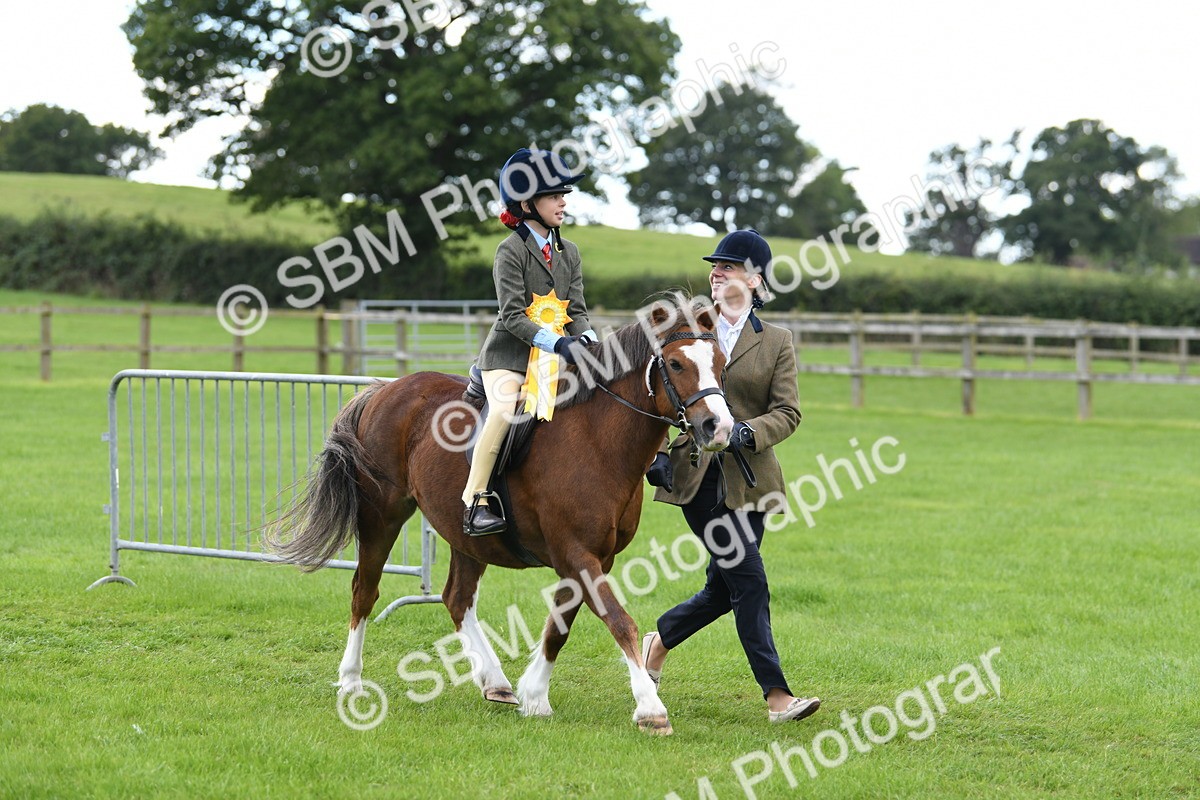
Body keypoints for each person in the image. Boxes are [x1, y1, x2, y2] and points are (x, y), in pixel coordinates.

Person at [641, 229, 819, 723]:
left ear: (755, 280)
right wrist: (656, 452)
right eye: (715, 266)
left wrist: (745, 432)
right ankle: (777, 697)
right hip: (696, 477)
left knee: (724, 589)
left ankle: (659, 641)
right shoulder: (688, 328)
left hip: (752, 480)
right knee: (750, 580)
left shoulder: (777, 341)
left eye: (729, 266)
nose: (717, 273)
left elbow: (788, 412)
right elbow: (657, 394)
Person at [462, 148, 597, 535]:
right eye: (554, 196)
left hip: (555, 359)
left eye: (563, 194)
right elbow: (512, 316)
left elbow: (577, 310)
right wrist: (558, 344)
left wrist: (589, 341)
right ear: (527, 204)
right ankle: (475, 500)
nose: (563, 202)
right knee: (505, 410)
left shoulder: (569, 252)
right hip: (508, 358)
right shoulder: (510, 251)